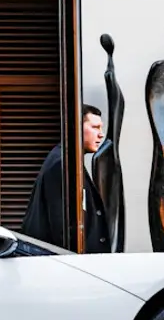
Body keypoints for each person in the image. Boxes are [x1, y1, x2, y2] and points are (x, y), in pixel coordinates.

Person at [21, 104, 110, 252]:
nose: (101, 134)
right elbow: (63, 228)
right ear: (76, 128)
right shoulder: (63, 165)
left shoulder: (66, 160)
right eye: (95, 127)